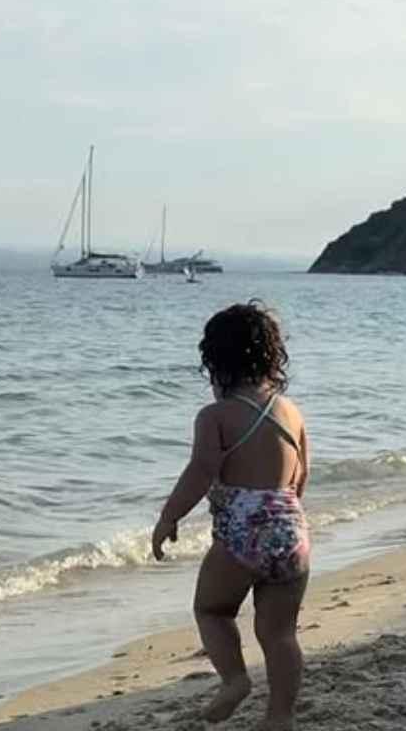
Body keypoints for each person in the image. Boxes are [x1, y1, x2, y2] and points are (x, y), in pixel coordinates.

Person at [153, 302, 311, 731]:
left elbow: (201, 471)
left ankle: (235, 681)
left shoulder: (215, 416)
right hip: (292, 531)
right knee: (280, 634)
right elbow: (300, 477)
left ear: (215, 363)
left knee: (212, 610)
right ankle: (280, 717)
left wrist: (169, 517)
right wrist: (282, 525)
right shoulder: (291, 411)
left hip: (242, 536)